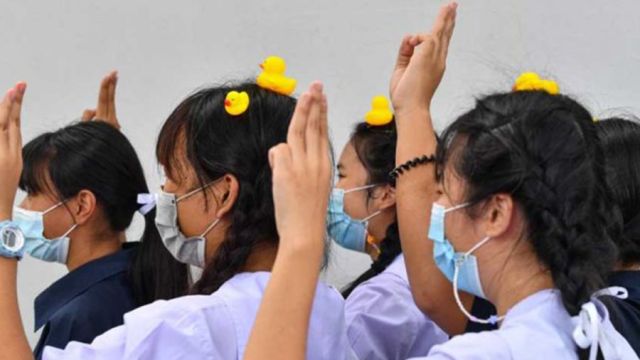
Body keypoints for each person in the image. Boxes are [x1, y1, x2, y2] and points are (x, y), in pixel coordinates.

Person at [244, 3, 636, 359]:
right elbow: (432, 291)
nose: (436, 209)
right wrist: (412, 108)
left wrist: (300, 240)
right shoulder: (600, 331)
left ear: (497, 213)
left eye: (446, 192)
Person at [0, 78, 352, 359]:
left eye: (173, 177)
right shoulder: (327, 308)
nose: (164, 192)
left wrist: (4, 223)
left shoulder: (186, 326)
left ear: (224, 194)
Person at [14, 73, 188, 358]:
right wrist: (104, 155)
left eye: (32, 193)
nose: (23, 207)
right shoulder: (140, 278)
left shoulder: (84, 317)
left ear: (83, 206)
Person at [330, 118, 447, 359]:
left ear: (385, 193)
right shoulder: (440, 273)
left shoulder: (380, 300)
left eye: (342, 177)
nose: (334, 192)